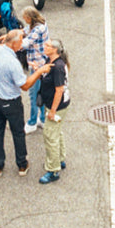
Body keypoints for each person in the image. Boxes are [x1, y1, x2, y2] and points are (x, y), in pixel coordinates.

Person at [0, 30, 29, 178]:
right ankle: (22, 164)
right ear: (14, 43)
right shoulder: (13, 63)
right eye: (21, 40)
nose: (22, 43)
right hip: (10, 101)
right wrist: (38, 72)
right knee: (18, 132)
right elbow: (24, 85)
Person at [29, 39, 68, 184]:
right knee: (57, 131)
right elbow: (46, 76)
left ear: (55, 50)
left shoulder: (57, 67)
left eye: (48, 46)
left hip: (56, 106)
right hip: (55, 104)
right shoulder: (49, 60)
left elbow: (59, 90)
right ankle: (60, 158)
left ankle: (53, 169)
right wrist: (38, 69)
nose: (45, 47)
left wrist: (52, 111)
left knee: (50, 136)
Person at [18, 7, 50, 132]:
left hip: (37, 65)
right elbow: (25, 31)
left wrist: (11, 43)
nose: (24, 19)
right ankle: (42, 119)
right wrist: (17, 33)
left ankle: (32, 122)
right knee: (40, 93)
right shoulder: (40, 24)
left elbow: (27, 42)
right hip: (41, 64)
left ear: (29, 18)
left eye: (25, 17)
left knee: (33, 94)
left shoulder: (38, 29)